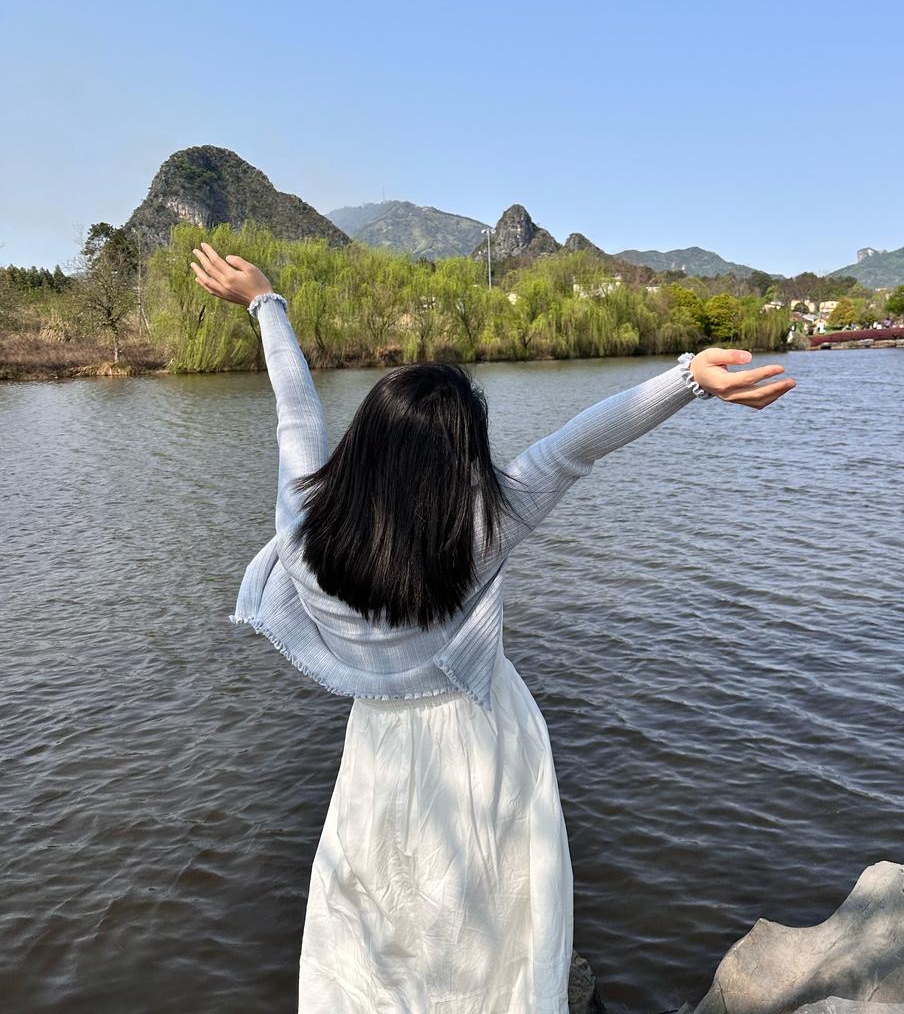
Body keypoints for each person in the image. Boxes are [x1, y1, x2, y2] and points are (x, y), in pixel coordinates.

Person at [189, 242, 796, 1013]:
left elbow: (296, 410)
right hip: (485, 731)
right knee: (496, 903)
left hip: (379, 738)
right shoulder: (483, 526)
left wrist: (264, 303)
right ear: (463, 457)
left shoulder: (304, 524)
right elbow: (574, 446)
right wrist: (687, 380)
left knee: (379, 891)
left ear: (366, 440)